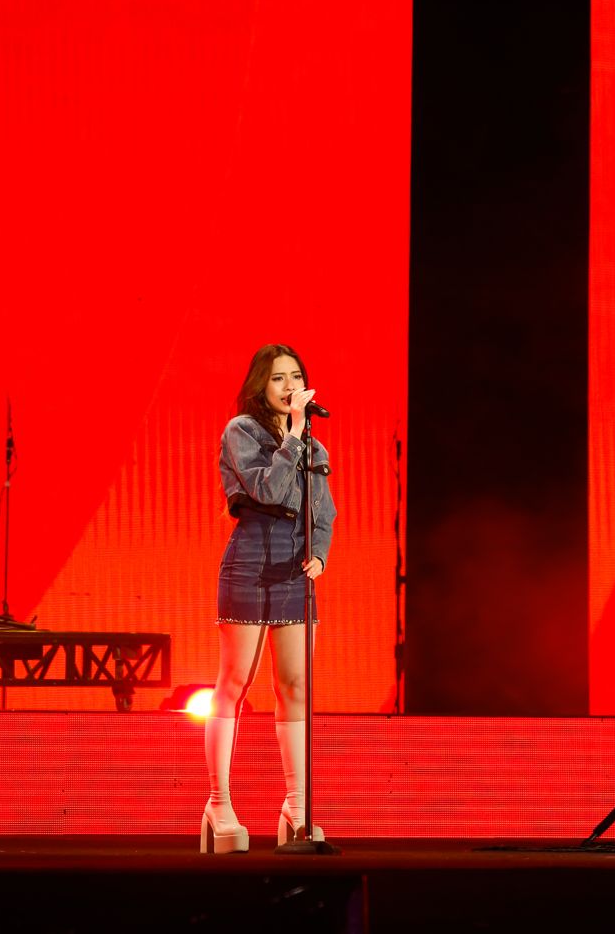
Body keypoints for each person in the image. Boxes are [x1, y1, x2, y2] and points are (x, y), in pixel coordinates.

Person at [202, 344, 336, 853]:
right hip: (251, 563)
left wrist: (319, 554)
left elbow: (324, 511)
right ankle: (219, 803)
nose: (289, 386)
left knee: (295, 686)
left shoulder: (314, 447)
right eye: (278, 378)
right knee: (235, 682)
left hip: (295, 571)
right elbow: (271, 491)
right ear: (261, 384)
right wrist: (295, 434)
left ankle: (297, 807)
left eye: (295, 376)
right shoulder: (242, 431)